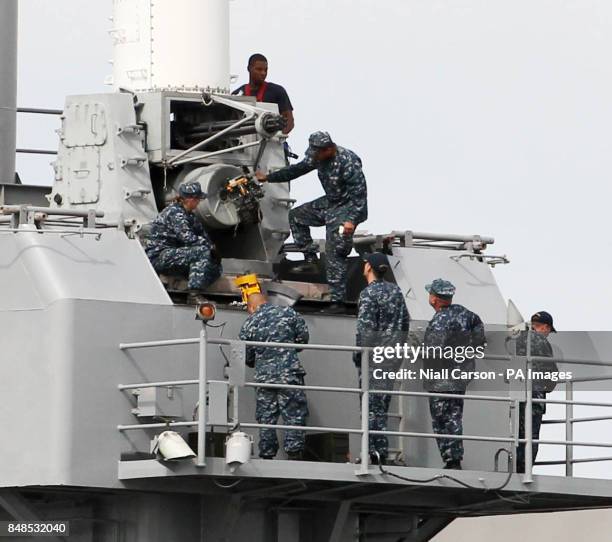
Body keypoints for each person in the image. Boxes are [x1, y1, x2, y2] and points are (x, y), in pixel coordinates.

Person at [256, 131, 368, 313]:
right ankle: (310, 259)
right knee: (296, 216)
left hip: (348, 208)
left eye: (317, 153)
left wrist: (351, 221)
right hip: (331, 202)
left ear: (328, 149)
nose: (314, 156)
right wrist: (268, 177)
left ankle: (338, 303)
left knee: (335, 251)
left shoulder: (348, 162)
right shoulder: (317, 156)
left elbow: (360, 195)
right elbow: (297, 170)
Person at [353, 253, 410, 464]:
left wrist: (360, 356)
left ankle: (373, 453)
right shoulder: (396, 291)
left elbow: (365, 331)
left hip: (374, 357)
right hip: (393, 356)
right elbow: (405, 324)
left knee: (370, 405)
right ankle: (379, 452)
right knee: (382, 405)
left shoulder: (369, 294)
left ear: (369, 268)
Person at [238, 292, 310, 460]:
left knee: (266, 417)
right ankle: (294, 453)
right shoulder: (288, 312)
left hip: (265, 377)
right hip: (289, 373)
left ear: (252, 307)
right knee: (294, 412)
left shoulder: (250, 322)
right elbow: (303, 340)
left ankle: (267, 454)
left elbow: (246, 356)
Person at [423, 279, 485, 470]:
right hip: (461, 375)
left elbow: (434, 352)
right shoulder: (466, 313)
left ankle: (452, 459)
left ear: (434, 298)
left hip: (443, 377)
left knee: (442, 417)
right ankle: (454, 458)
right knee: (455, 414)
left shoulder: (440, 319)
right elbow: (479, 333)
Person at [145, 181, 222, 301]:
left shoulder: (190, 215)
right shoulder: (175, 212)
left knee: (215, 265)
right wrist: (209, 248)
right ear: (190, 199)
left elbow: (203, 235)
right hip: (160, 255)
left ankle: (190, 285)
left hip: (175, 255)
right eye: (197, 199)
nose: (198, 203)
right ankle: (193, 294)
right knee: (202, 252)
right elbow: (187, 237)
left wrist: (213, 250)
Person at [515, 311, 557, 473]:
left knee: (516, 433)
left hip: (515, 394)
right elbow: (551, 373)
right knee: (530, 435)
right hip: (534, 396)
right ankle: (524, 469)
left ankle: (514, 466)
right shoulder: (541, 340)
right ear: (546, 327)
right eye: (549, 331)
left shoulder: (517, 338)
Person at [232, 53, 294, 134]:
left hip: (271, 143)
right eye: (259, 69)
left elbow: (289, 121)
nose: (263, 73)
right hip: (244, 143)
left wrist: (278, 136)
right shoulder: (237, 95)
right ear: (249, 68)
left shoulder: (277, 91)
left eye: (265, 70)